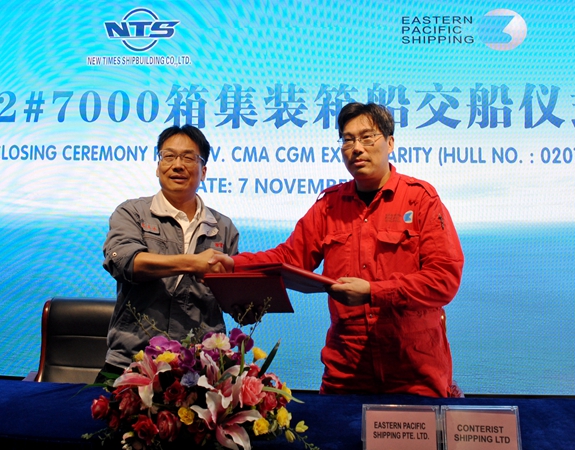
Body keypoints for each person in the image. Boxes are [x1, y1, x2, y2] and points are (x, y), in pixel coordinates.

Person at [212, 102, 464, 397]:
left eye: (367, 137)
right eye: (347, 140)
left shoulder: (420, 199)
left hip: (413, 368)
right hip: (347, 370)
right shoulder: (329, 205)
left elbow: (443, 279)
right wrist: (233, 264)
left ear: (390, 143)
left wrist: (373, 292)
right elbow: (290, 258)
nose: (356, 148)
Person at [98, 124, 238, 381]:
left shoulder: (224, 228)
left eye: (188, 158)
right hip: (132, 362)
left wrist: (251, 301)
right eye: (169, 156)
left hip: (199, 369)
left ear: (204, 171)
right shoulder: (132, 213)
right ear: (158, 167)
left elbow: (232, 299)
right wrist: (193, 263)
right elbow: (125, 262)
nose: (177, 165)